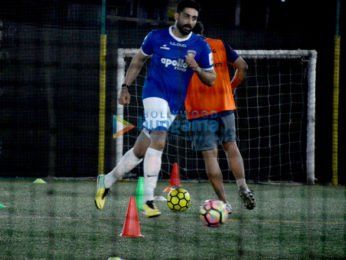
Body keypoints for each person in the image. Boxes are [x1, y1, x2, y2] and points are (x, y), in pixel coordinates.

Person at [95, 0, 216, 217]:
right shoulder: (156, 37)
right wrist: (125, 86)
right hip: (153, 93)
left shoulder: (200, 46)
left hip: (174, 103)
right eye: (187, 16)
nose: (190, 22)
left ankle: (107, 180)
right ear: (176, 16)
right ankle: (147, 201)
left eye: (194, 18)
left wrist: (196, 67)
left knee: (141, 150)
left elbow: (211, 79)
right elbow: (138, 61)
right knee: (160, 137)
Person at [185, 22, 255, 213]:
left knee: (210, 155)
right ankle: (243, 186)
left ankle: (224, 202)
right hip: (224, 104)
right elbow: (243, 66)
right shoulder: (219, 44)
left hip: (199, 109)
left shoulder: (183, 50)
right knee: (231, 146)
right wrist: (231, 87)